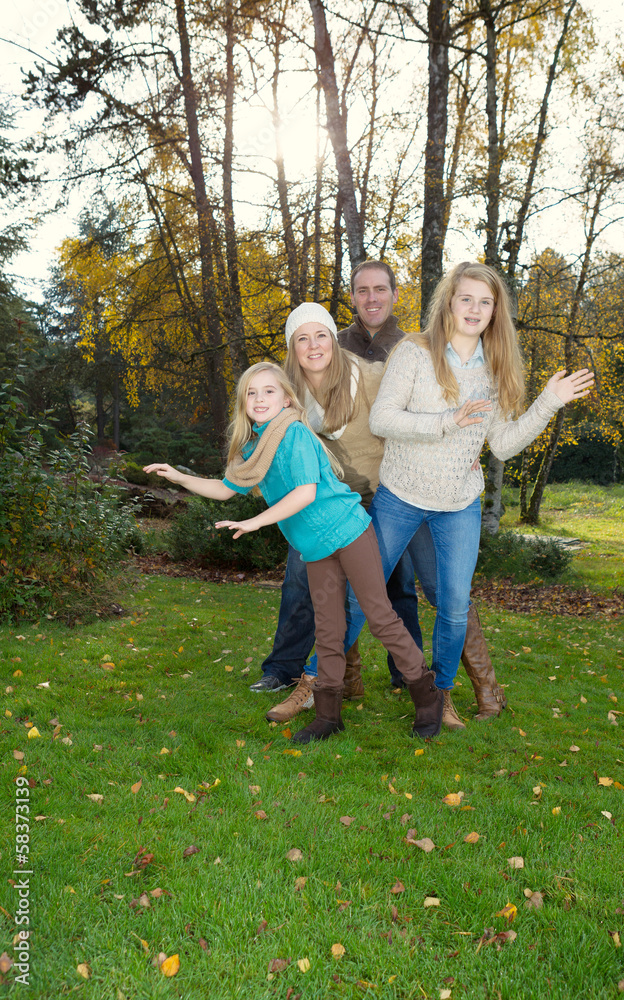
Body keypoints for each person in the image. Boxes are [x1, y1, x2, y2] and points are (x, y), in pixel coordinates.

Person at [256, 262, 507, 728]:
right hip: (338, 498)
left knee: (422, 589)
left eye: (380, 289)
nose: (372, 298)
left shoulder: (415, 348)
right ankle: (316, 679)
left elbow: (413, 413)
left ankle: (465, 687)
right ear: (351, 298)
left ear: (395, 294)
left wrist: (461, 448)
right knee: (319, 585)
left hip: (399, 488)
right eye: (362, 290)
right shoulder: (321, 356)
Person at [143, 362, 444, 744]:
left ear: (287, 398)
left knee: (381, 618)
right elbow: (225, 488)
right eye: (252, 393)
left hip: (350, 532)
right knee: (329, 630)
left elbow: (306, 493)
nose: (259, 399)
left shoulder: (295, 435)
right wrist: (180, 476)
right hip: (315, 548)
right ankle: (328, 715)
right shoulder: (253, 449)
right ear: (244, 403)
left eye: (269, 391)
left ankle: (427, 696)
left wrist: (255, 522)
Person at [367, 260, 595, 726]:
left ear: (495, 311)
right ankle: (320, 684)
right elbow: (381, 421)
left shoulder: (495, 368)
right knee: (361, 595)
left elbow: (504, 444)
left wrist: (548, 402)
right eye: (465, 298)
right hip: (400, 495)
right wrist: (446, 423)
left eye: (484, 302)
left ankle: (441, 697)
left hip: (458, 505)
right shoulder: (414, 352)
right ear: (449, 302)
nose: (474, 308)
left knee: (453, 605)